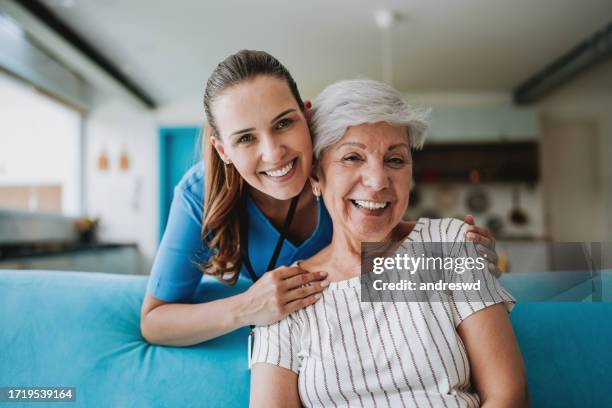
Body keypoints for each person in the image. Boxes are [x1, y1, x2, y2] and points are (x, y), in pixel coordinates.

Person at [140, 50, 499, 346]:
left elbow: (378, 252)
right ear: (223, 150)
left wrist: (451, 249)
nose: (274, 153)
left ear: (306, 115)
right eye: (246, 138)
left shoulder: (340, 173)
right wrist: (248, 307)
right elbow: (154, 321)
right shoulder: (199, 193)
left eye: (283, 123)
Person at [250, 79, 528, 407]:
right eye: (352, 157)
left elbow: (508, 396)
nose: (378, 181)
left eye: (395, 160)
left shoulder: (450, 244)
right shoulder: (285, 294)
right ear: (315, 176)